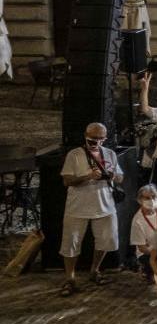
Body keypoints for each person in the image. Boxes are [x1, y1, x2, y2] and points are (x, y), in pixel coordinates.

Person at [58, 123, 123, 297]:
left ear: (104, 139)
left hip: (105, 204)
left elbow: (120, 177)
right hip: (78, 206)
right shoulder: (75, 154)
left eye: (98, 139)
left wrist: (113, 176)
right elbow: (66, 181)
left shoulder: (110, 154)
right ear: (85, 135)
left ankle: (95, 270)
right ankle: (70, 278)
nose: (94, 142)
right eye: (91, 139)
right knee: (71, 242)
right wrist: (88, 176)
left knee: (105, 239)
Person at [130, 184, 157, 282]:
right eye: (147, 198)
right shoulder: (137, 221)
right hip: (149, 252)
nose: (151, 200)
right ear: (140, 200)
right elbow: (142, 248)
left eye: (153, 197)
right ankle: (147, 271)